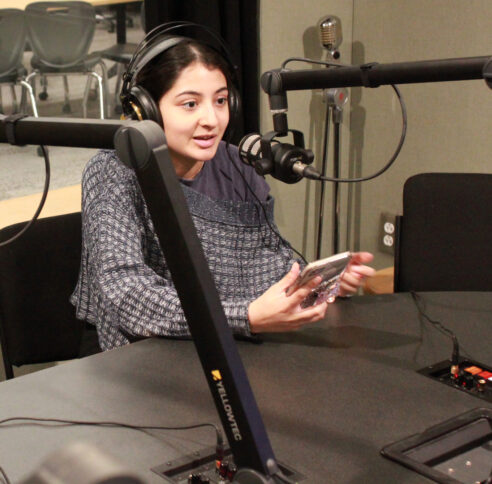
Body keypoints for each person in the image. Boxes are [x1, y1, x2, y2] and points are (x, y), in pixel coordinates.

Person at [70, 28, 375, 351]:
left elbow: (268, 265)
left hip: (228, 345)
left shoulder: (239, 166)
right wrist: (245, 316)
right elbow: (127, 295)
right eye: (190, 104)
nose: (212, 120)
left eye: (220, 101)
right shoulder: (115, 171)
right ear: (146, 110)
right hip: (142, 357)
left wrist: (316, 283)